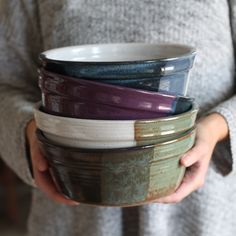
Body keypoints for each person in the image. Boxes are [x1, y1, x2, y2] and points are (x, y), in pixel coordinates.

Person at [0, 0, 236, 235]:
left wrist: (217, 127)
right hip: (74, 217)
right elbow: (6, 84)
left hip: (202, 218)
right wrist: (31, 131)